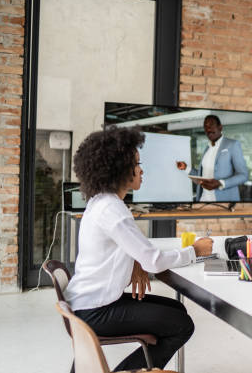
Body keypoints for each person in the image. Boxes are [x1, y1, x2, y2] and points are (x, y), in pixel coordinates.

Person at [64, 126, 213, 372]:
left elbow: (126, 249)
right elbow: (153, 261)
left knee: (176, 309)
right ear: (119, 169)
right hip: (95, 311)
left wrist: (134, 263)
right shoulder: (113, 209)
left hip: (85, 302)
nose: (141, 169)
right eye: (136, 163)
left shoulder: (101, 202)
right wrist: (195, 251)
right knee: (182, 324)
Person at [189, 115, 248, 202]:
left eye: (211, 125)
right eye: (205, 127)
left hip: (224, 202)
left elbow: (243, 175)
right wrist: (186, 168)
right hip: (203, 200)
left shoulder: (232, 144)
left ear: (220, 127)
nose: (208, 129)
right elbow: (201, 176)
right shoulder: (207, 149)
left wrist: (221, 183)